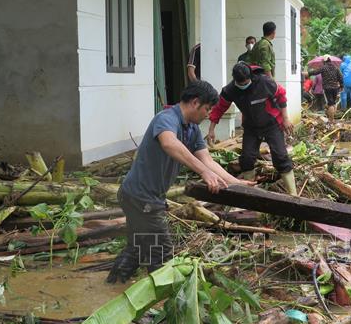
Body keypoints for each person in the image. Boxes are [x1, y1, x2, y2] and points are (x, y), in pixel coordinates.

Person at [106, 81, 254, 283]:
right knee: (162, 253)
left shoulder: (192, 130)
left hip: (142, 197)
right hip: (141, 198)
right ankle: (160, 303)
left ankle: (113, 285)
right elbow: (169, 143)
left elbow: (207, 160)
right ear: (195, 103)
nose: (208, 115)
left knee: (138, 247)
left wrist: (236, 182)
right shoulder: (167, 118)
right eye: (207, 109)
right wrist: (203, 172)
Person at [207, 62, 297, 194]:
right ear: (235, 80)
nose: (243, 86)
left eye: (246, 83)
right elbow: (219, 108)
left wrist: (285, 118)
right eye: (240, 84)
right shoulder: (230, 90)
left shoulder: (264, 82)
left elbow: (281, 95)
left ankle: (293, 195)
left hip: (272, 124)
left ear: (251, 77)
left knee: (280, 156)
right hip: (251, 127)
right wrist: (211, 130)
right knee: (247, 158)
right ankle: (251, 192)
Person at [310, 55, 344, 123]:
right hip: (335, 88)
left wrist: (308, 73)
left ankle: (331, 120)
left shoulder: (324, 67)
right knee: (333, 103)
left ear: (324, 61)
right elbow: (341, 77)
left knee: (330, 104)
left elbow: (315, 72)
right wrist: (341, 86)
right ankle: (332, 118)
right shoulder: (336, 68)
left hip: (327, 88)